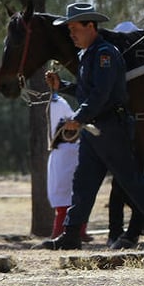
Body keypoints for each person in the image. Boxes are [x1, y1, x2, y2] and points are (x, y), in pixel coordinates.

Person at [42, 3, 144, 250]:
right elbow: (87, 92)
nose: (71, 34)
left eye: (74, 28)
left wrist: (79, 117)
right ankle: (71, 233)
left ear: (90, 26)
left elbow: (101, 94)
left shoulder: (105, 53)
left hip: (111, 128)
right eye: (69, 29)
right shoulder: (87, 55)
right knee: (83, 182)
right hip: (95, 130)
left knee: (132, 181)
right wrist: (61, 85)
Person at [46, 91, 90, 240]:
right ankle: (65, 232)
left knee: (66, 208)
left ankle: (62, 232)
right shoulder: (71, 149)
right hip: (69, 189)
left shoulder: (59, 151)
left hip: (66, 188)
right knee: (71, 207)